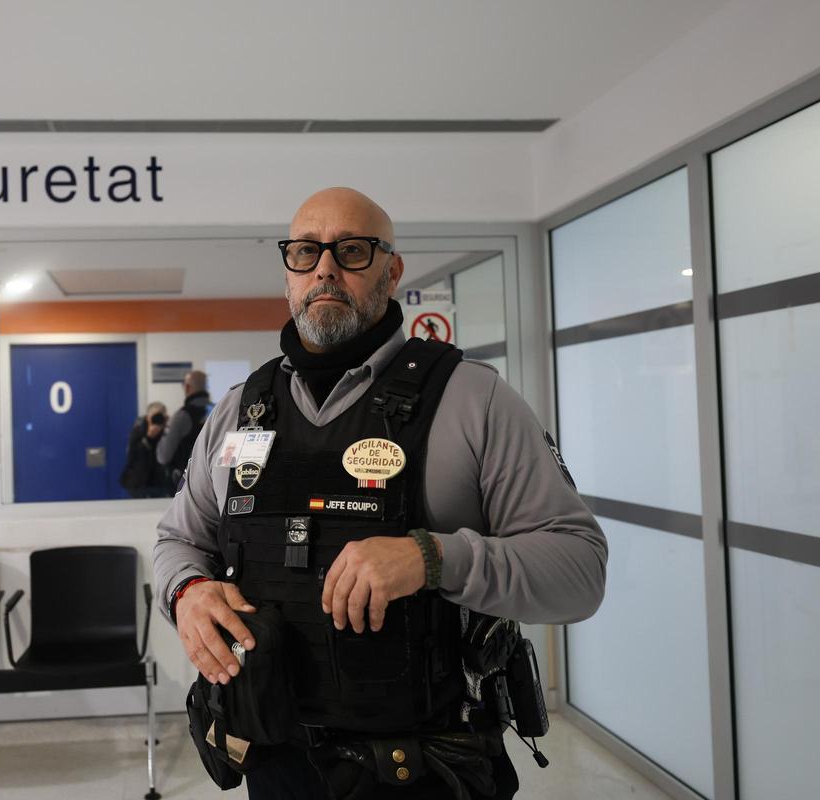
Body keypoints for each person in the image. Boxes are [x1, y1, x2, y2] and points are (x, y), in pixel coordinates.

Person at [153, 187, 607, 800]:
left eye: (352, 251)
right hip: (274, 764)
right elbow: (178, 539)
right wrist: (186, 592)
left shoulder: (473, 400)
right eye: (305, 252)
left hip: (429, 772)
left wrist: (433, 557)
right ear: (288, 273)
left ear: (392, 272)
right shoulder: (240, 410)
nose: (325, 269)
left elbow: (580, 570)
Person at [156, 369, 212, 487]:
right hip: (213, 481)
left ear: (187, 387)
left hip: (187, 484)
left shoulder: (182, 416)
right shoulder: (218, 412)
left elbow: (163, 456)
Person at [121, 402, 171, 498]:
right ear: (148, 417)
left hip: (160, 482)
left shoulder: (168, 431)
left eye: (160, 416)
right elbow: (132, 457)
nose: (157, 419)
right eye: (154, 416)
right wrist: (148, 438)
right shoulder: (138, 430)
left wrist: (168, 428)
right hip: (139, 483)